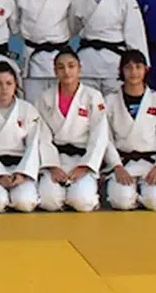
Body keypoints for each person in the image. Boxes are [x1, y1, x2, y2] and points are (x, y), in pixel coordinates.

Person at [34, 50, 108, 212]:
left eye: (71, 66)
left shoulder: (93, 96)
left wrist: (85, 166)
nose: (66, 71)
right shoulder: (44, 98)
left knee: (82, 202)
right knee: (49, 203)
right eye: (61, 67)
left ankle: (88, 195)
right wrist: (52, 166)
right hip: (56, 159)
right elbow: (42, 136)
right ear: (55, 71)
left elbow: (99, 135)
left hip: (82, 158)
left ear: (79, 69)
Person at [102, 50, 156, 211]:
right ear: (121, 71)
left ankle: (143, 195)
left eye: (138, 67)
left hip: (151, 163)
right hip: (123, 163)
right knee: (121, 202)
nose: (133, 72)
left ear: (146, 70)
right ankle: (132, 195)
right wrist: (116, 166)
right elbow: (105, 138)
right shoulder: (110, 101)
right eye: (128, 67)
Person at [70, 0, 148, 96]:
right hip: (87, 63)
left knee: (115, 104)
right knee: (87, 104)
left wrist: (140, 65)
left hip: (114, 63)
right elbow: (72, 27)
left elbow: (135, 33)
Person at [12, 0, 80, 105]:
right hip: (33, 55)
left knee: (62, 104)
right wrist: (29, 37)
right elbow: (14, 24)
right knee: (34, 105)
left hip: (60, 54)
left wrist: (62, 36)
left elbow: (75, 23)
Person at [0, 62, 41, 213]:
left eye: (9, 83)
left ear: (15, 85)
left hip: (20, 168)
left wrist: (23, 173)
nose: (4, 88)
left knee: (24, 203)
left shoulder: (28, 110)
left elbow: (33, 145)